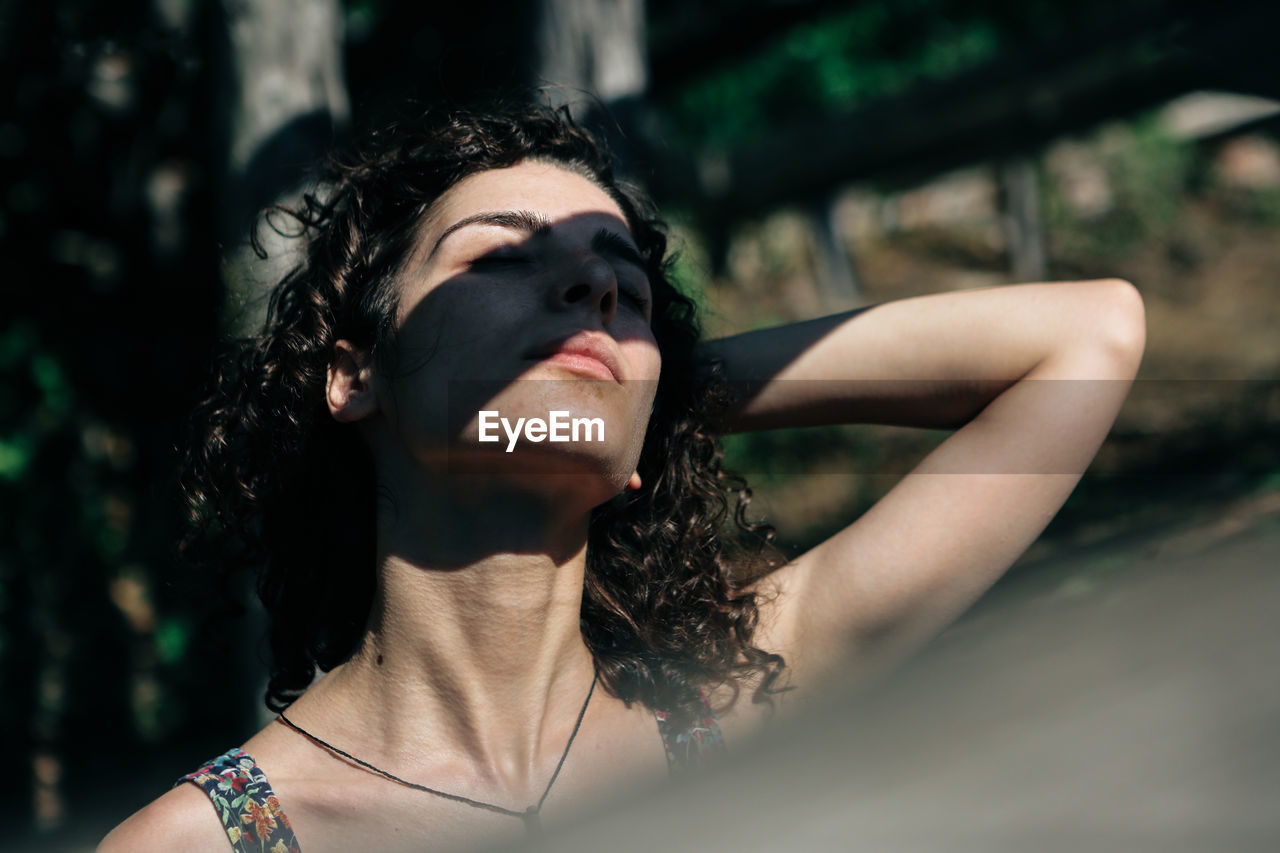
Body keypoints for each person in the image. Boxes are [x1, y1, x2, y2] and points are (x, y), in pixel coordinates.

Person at [98, 101, 1145, 853]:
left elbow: (1087, 337)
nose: (593, 284)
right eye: (501, 258)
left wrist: (646, 401)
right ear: (354, 369)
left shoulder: (732, 702)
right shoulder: (209, 840)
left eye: (624, 285)